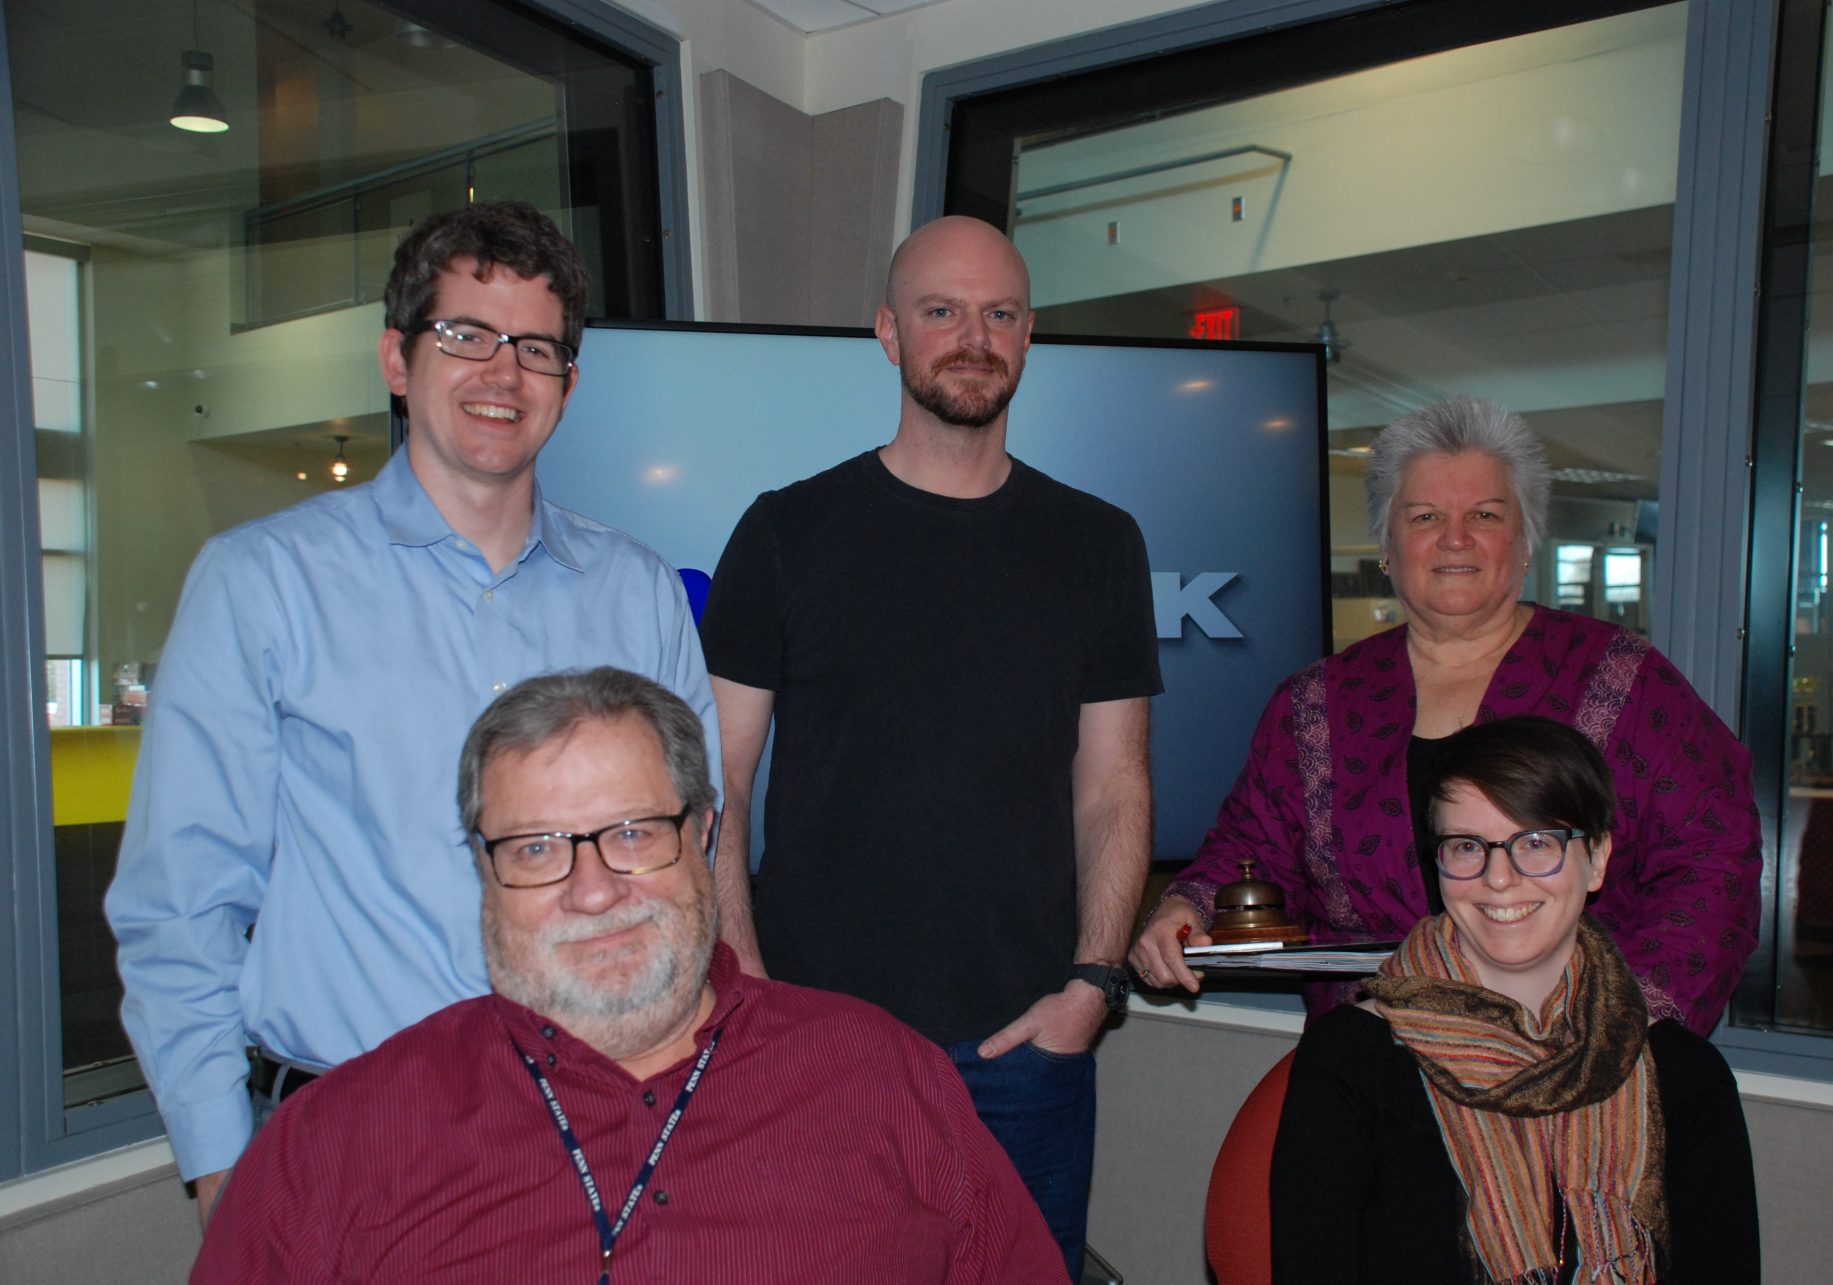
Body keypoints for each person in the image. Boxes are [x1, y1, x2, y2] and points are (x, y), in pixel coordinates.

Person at [106, 201, 720, 1224]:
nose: (502, 373)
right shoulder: (263, 584)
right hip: (360, 1146)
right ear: (397, 359)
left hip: (613, 1137)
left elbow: (690, 857)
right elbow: (180, 905)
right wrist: (226, 1173)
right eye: (465, 336)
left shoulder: (639, 591)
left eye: (536, 347)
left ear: (568, 384)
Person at [192, 668, 1066, 1284]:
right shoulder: (339, 1136)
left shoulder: (884, 1078)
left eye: (635, 832)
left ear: (704, 835)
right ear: (482, 870)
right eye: (536, 847)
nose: (593, 887)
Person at [697, 215, 1161, 1279]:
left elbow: (1115, 781)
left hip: (1028, 1053)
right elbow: (716, 779)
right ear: (888, 332)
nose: (972, 335)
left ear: (1029, 336)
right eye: (941, 310)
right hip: (816, 1045)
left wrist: (1092, 986)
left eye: (999, 312)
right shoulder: (784, 532)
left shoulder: (1099, 544)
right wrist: (753, 995)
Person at [1133, 395, 1760, 1036]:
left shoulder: (1627, 681)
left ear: (1523, 540)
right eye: (1426, 515)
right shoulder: (1314, 702)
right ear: (1388, 542)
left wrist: (1632, 1021)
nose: (1455, 538)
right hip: (1373, 1055)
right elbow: (1254, 848)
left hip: (1567, 1047)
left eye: (1485, 514)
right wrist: (1187, 905)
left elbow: (1714, 862)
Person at [1271, 716, 1761, 1283]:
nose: (1498, 879)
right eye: (1466, 846)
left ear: (1597, 857)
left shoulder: (1683, 1075)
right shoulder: (1352, 1059)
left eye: (1535, 842)